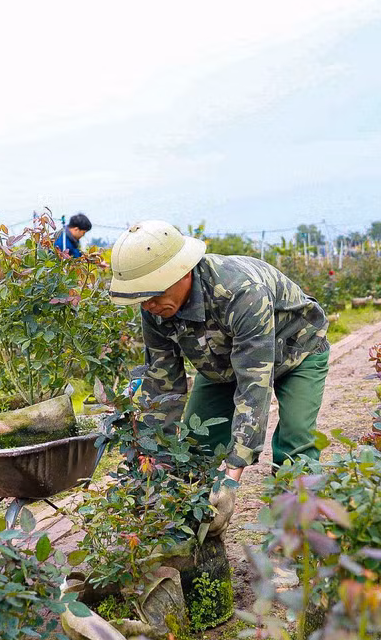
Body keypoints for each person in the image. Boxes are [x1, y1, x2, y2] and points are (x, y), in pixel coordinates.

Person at [108, 220, 330, 536]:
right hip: (221, 365)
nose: (149, 306)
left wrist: (230, 478)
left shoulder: (241, 292)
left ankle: (297, 545)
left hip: (297, 351)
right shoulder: (154, 309)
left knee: (295, 443)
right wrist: (151, 468)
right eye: (142, 299)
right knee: (197, 447)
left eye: (154, 295)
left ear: (182, 272)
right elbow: (162, 386)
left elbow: (254, 385)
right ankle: (198, 539)